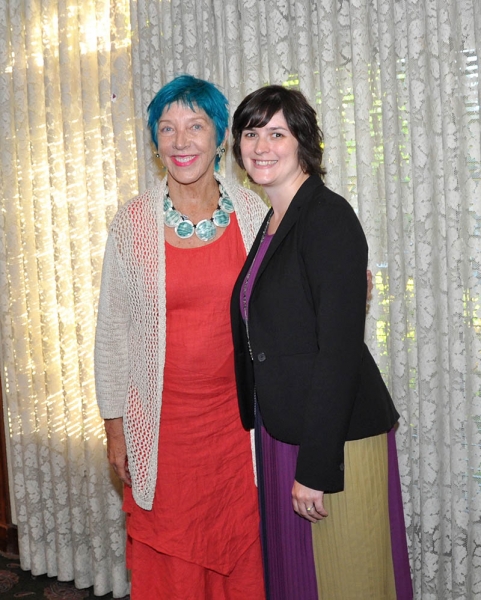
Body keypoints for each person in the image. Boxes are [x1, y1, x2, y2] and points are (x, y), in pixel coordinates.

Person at [231, 85, 413, 600]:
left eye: (277, 133)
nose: (261, 146)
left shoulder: (327, 216)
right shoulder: (273, 220)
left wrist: (315, 469)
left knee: (346, 579)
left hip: (334, 440)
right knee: (300, 581)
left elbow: (337, 352)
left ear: (302, 142)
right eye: (251, 134)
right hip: (288, 427)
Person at [94, 75, 267, 599]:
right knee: (171, 569)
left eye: (195, 125)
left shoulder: (255, 215)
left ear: (220, 137)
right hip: (161, 432)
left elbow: (286, 305)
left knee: (240, 554)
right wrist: (116, 431)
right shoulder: (132, 223)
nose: (180, 140)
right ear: (156, 142)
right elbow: (112, 333)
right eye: (166, 128)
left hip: (237, 433)